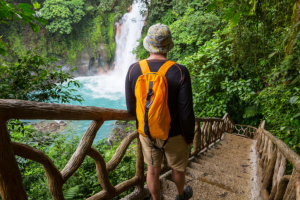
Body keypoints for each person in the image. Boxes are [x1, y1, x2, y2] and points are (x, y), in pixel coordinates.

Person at [125, 23, 195, 200]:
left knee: (153, 171)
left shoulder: (134, 69)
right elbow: (186, 111)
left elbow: (131, 108)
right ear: (168, 45)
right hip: (175, 133)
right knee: (177, 169)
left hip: (148, 132)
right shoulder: (179, 71)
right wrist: (189, 137)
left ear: (148, 44)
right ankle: (181, 195)